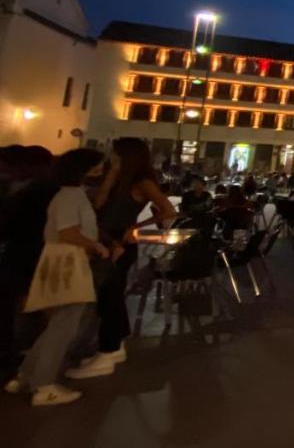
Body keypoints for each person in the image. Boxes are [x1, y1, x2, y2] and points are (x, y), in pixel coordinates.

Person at [6, 149, 110, 406]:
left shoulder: (68, 195)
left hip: (62, 259)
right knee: (65, 325)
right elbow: (68, 232)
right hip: (68, 261)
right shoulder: (70, 196)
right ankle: (44, 385)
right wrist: (96, 246)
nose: (101, 169)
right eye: (97, 166)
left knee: (59, 323)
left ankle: (27, 374)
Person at [75, 138, 175, 379]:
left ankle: (108, 349)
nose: (111, 156)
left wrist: (136, 227)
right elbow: (98, 206)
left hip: (121, 242)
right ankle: (114, 345)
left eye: (116, 153)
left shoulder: (143, 182)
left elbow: (169, 210)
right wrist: (111, 176)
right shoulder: (118, 178)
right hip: (105, 239)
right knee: (108, 293)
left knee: (109, 293)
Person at [0, 147, 56, 373]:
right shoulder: (22, 189)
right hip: (21, 252)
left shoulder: (41, 191)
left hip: (28, 252)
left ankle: (23, 354)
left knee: (24, 303)